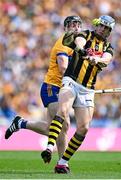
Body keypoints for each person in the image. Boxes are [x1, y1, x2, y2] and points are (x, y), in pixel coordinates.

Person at [41, 15, 115, 173]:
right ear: (97, 25)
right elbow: (79, 42)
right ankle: (49, 147)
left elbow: (107, 59)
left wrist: (98, 60)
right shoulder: (85, 34)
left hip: (88, 88)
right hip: (71, 81)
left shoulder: (108, 47)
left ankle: (62, 162)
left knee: (84, 128)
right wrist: (82, 51)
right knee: (63, 111)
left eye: (107, 28)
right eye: (101, 26)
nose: (103, 29)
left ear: (109, 32)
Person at [5, 16, 82, 159]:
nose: (76, 28)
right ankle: (62, 163)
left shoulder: (79, 45)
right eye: (72, 25)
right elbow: (63, 68)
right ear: (65, 28)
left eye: (78, 25)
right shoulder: (63, 45)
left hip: (65, 89)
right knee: (63, 124)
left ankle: (20, 123)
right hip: (52, 88)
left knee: (51, 128)